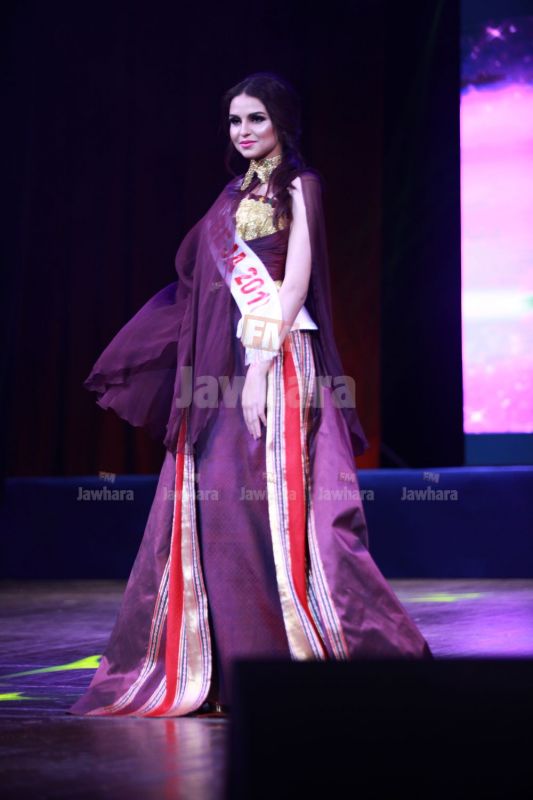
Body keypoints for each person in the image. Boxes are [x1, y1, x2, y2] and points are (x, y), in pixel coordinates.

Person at [67, 71, 432, 720]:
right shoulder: (230, 196)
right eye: (235, 120)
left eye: (256, 118)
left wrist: (261, 366)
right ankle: (231, 669)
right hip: (223, 361)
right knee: (220, 508)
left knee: (282, 506)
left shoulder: (300, 185)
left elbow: (294, 286)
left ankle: (305, 660)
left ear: (282, 121)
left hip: (278, 357)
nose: (243, 131)